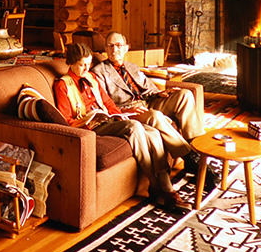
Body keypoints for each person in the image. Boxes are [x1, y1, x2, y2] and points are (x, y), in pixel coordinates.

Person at [53, 42, 191, 213]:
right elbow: (66, 120)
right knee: (134, 127)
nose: (86, 68)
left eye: (88, 64)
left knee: (154, 133)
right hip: (91, 126)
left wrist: (121, 113)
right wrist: (89, 118)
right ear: (71, 63)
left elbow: (108, 103)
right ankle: (158, 186)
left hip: (109, 120)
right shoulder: (63, 85)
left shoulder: (91, 78)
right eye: (82, 65)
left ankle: (165, 187)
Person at [92, 31, 219, 189]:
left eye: (118, 46)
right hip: (131, 110)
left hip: (149, 101)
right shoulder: (99, 72)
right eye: (110, 46)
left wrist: (159, 93)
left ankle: (199, 152)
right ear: (105, 48)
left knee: (185, 95)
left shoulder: (132, 66)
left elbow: (147, 87)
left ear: (126, 48)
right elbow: (105, 103)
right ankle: (191, 159)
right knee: (155, 116)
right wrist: (127, 108)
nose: (114, 50)